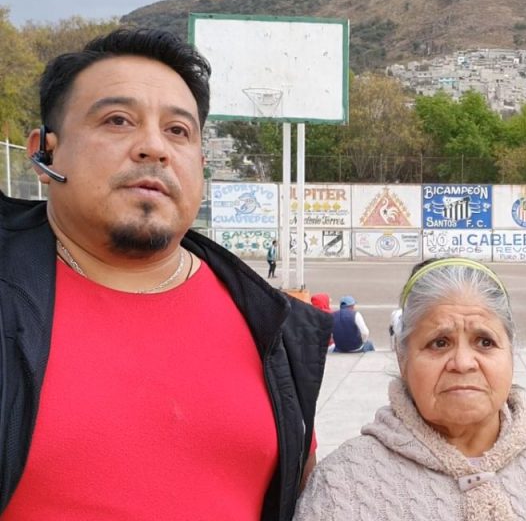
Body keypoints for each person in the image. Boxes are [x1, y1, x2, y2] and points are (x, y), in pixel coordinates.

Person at [0, 28, 331, 519]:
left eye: (178, 131)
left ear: (199, 161)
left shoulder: (275, 325)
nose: (153, 147)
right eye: (118, 120)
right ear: (44, 152)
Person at [295, 257, 526, 520]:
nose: (463, 362)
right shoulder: (343, 484)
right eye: (439, 343)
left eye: (485, 341)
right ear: (402, 358)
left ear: (511, 354)